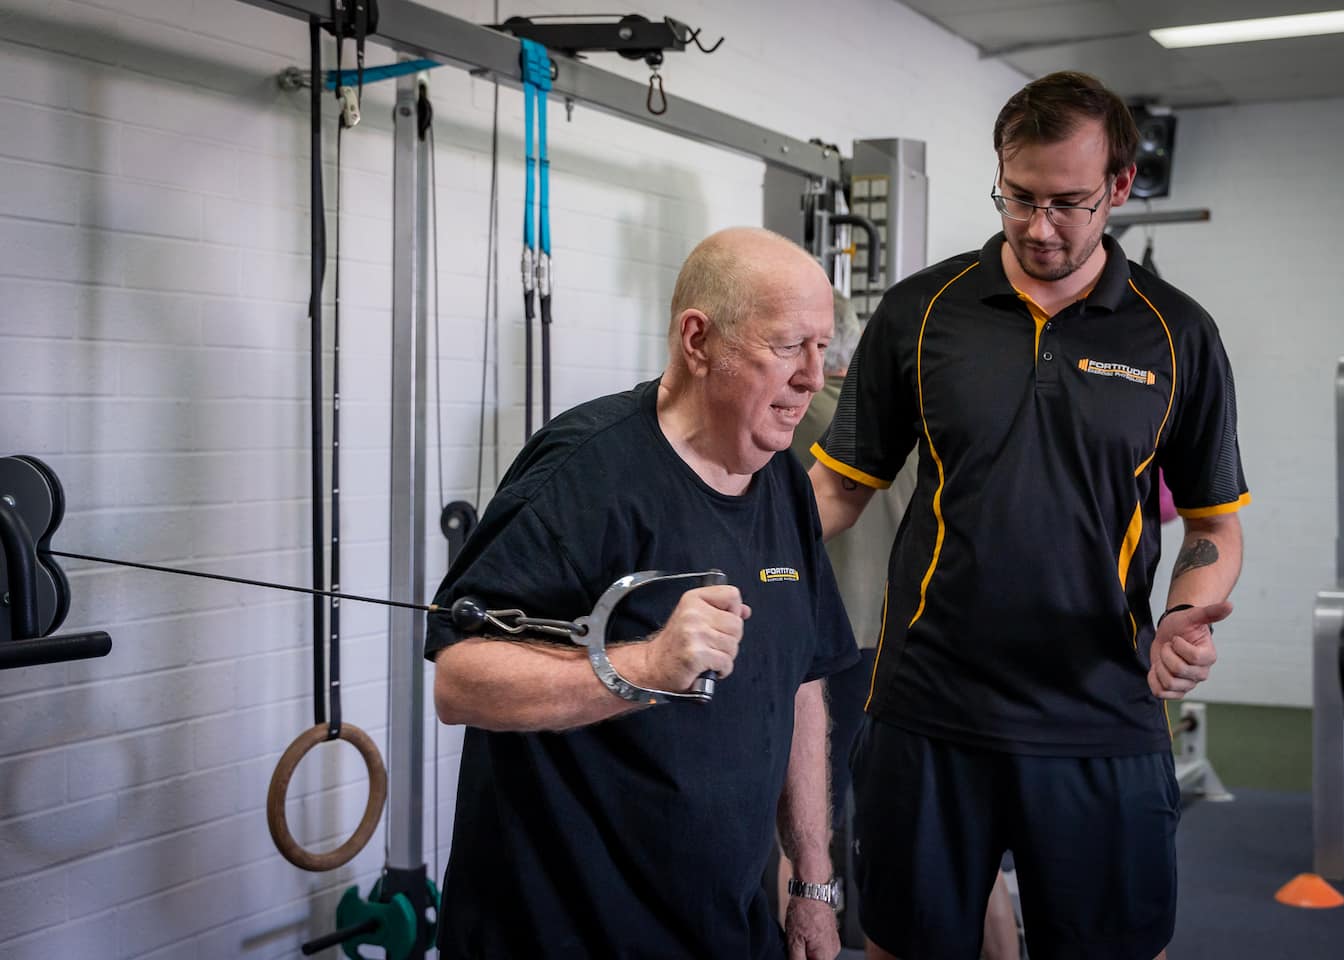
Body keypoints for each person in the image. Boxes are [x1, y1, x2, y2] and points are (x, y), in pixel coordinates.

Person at [808, 71, 1249, 960]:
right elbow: (839, 488)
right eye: (1019, 197)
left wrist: (1185, 614)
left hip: (1101, 711)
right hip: (927, 707)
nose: (1038, 227)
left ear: (1119, 189)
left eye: (1068, 203)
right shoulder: (921, 312)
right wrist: (730, 548)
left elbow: (1213, 521)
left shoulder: (1177, 335)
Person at [426, 226, 858, 960]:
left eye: (823, 349)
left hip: (724, 924)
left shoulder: (782, 480)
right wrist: (643, 668)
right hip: (568, 934)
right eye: (789, 346)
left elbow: (804, 682)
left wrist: (813, 882)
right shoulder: (586, 471)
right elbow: (460, 681)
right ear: (698, 341)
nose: (814, 378)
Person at [791, 293, 1020, 960]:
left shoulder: (806, 421)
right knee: (959, 830)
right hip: (909, 642)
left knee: (803, 819)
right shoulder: (919, 422)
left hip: (831, 640)